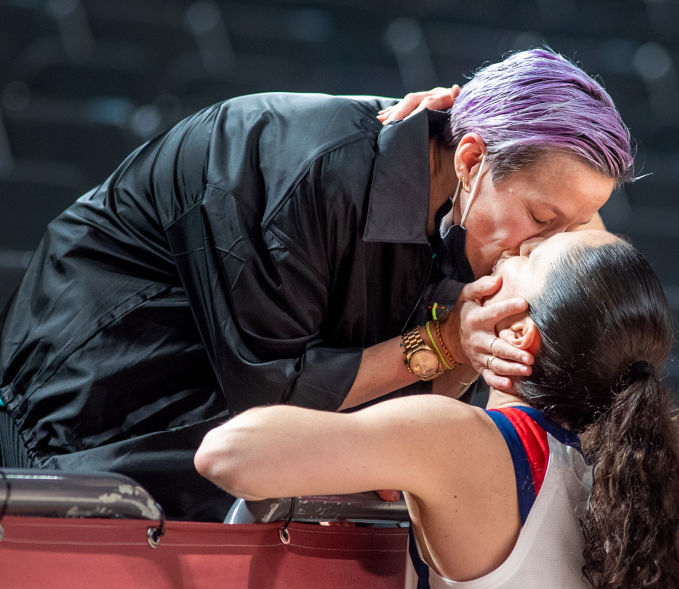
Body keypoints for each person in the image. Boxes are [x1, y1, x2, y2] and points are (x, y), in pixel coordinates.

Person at [0, 49, 633, 520]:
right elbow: (272, 396)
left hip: (213, 440)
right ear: (470, 160)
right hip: (90, 418)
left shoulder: (476, 208)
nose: (539, 244)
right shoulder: (298, 169)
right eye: (543, 219)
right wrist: (444, 345)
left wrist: (462, 345)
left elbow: (410, 424)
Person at [195, 229, 679, 589]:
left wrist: (446, 344)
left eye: (530, 256)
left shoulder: (471, 444)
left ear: (518, 333)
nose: (512, 250)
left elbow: (227, 453)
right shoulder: (638, 481)